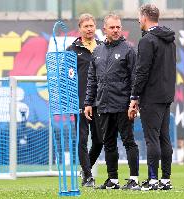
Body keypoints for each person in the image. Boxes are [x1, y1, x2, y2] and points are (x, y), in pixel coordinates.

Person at [84, 13, 140, 190]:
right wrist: (88, 103)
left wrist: (134, 100)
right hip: (103, 105)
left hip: (123, 105)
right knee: (108, 143)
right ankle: (113, 180)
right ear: (104, 30)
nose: (116, 30)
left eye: (118, 27)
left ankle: (134, 179)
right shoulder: (97, 51)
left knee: (128, 141)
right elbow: (92, 80)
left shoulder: (129, 50)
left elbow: (135, 79)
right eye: (112, 27)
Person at [129, 4, 176, 191]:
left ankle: (152, 180)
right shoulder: (170, 39)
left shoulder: (147, 40)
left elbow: (142, 71)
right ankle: (165, 180)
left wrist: (134, 96)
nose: (139, 21)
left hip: (152, 97)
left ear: (145, 17)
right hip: (166, 95)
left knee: (151, 139)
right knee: (165, 138)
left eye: (139, 17)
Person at [66, 13, 103, 187]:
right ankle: (88, 176)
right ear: (80, 28)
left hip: (100, 101)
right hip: (80, 101)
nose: (89, 29)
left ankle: (85, 168)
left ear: (95, 27)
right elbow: (66, 77)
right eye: (85, 26)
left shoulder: (103, 47)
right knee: (82, 139)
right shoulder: (72, 50)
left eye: (91, 26)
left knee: (99, 140)